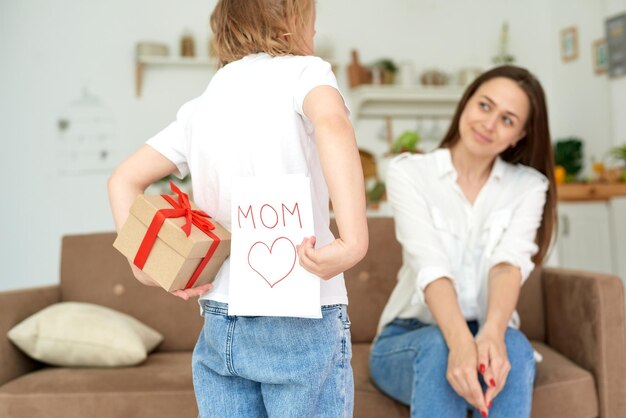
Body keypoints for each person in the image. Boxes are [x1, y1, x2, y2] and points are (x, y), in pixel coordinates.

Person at [108, 0, 368, 416]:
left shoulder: (199, 108)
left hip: (221, 315)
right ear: (290, 22)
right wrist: (354, 240)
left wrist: (147, 265)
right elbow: (334, 124)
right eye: (313, 24)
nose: (314, 36)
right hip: (300, 310)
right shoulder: (306, 72)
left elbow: (122, 178)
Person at [369, 65, 556, 418]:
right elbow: (430, 266)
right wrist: (460, 345)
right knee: (442, 351)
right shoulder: (409, 173)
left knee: (514, 349)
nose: (489, 124)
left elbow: (507, 265)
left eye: (507, 119)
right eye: (484, 106)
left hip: (487, 327)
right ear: (466, 102)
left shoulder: (529, 187)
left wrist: (492, 335)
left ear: (520, 134)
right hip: (409, 335)